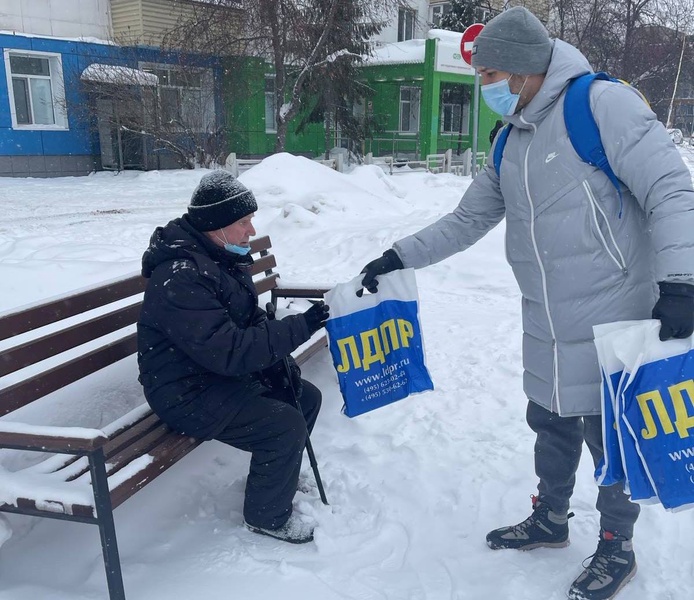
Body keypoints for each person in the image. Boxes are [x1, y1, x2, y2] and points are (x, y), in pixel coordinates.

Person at [359, 7, 694, 600]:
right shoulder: (509, 139)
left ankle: (617, 545)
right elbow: (468, 219)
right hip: (544, 315)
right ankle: (551, 518)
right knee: (550, 421)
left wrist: (682, 281)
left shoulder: (602, 106)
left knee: (610, 437)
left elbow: (671, 186)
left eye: (489, 73)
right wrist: (399, 255)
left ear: (521, 70)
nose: (483, 85)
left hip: (615, 315)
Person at [137, 170, 330, 544]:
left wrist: (278, 361)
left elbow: (245, 317)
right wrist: (297, 328)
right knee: (284, 425)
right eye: (243, 222)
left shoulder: (217, 257)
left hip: (212, 374)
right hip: (184, 391)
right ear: (217, 225)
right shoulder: (181, 276)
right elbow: (228, 350)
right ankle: (267, 517)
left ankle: (277, 479)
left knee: (304, 397)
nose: (251, 230)